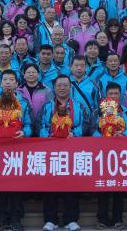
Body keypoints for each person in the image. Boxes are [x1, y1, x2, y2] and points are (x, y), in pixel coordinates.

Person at [0, 70, 32, 231]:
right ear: (0, 82)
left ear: (17, 84)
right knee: (0, 183)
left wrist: (25, 132)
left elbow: (29, 123)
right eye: (5, 79)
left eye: (11, 79)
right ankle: (0, 218)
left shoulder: (24, 102)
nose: (8, 82)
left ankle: (16, 218)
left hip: (18, 149)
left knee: (16, 183)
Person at [39, 76, 85, 231]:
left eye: (66, 85)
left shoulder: (78, 106)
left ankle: (71, 219)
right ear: (55, 88)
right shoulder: (47, 107)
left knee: (71, 185)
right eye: (59, 85)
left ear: (70, 87)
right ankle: (50, 219)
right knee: (50, 185)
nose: (63, 88)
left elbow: (85, 124)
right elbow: (39, 125)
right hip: (51, 151)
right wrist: (48, 135)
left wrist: (75, 133)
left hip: (72, 151)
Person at [93, 83, 127, 229]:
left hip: (122, 155)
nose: (113, 96)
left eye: (116, 94)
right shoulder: (98, 113)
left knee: (119, 187)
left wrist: (124, 135)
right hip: (102, 154)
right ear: (106, 95)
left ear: (120, 95)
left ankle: (118, 218)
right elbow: (92, 128)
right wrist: (102, 137)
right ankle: (102, 219)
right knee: (103, 186)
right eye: (110, 94)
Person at [17, 63, 53, 136]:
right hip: (23, 127)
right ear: (24, 75)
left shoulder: (47, 90)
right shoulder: (18, 91)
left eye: (33, 72)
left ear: (38, 74)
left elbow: (51, 109)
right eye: (28, 72)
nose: (31, 74)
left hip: (41, 127)